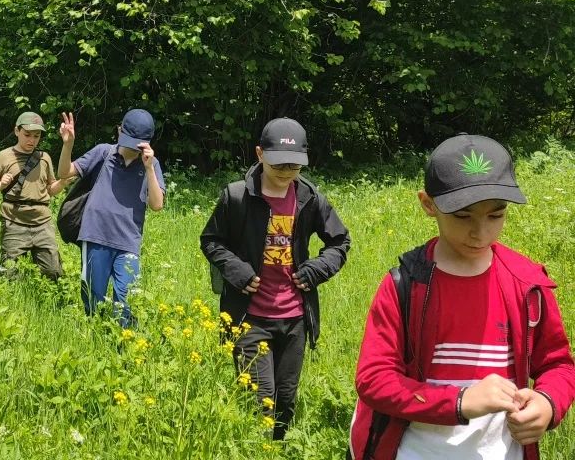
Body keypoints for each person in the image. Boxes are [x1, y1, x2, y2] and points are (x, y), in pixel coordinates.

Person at [349, 134, 575, 460]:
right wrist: (459, 401)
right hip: (415, 451)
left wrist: (548, 403)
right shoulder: (405, 283)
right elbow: (373, 379)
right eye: (463, 215)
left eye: (495, 215)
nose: (480, 232)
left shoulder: (527, 285)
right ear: (429, 204)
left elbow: (558, 365)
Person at [199, 117, 350, 440]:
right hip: (249, 317)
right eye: (278, 164)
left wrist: (316, 269)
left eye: (294, 166)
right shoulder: (237, 196)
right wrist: (236, 269)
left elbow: (340, 242)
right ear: (259, 154)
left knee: (285, 402)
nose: (285, 172)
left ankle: (279, 448)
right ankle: (258, 449)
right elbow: (211, 240)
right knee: (260, 403)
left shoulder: (310, 198)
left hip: (295, 318)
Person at [56, 109, 165, 327]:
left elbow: (157, 205)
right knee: (93, 298)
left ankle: (124, 344)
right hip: (95, 235)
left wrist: (149, 169)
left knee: (127, 300)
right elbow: (64, 173)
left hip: (128, 241)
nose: (132, 148)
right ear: (119, 131)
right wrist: (68, 144)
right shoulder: (103, 152)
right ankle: (94, 337)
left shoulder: (151, 165)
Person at [0, 112, 68, 280]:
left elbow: (50, 189)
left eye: (36, 136)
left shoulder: (44, 158)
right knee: (9, 274)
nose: (32, 140)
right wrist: (1, 185)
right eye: (27, 134)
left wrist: (63, 183)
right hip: (14, 221)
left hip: (42, 222)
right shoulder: (4, 156)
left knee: (53, 273)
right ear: (16, 131)